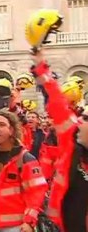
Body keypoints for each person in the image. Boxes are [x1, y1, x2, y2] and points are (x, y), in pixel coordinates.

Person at [30, 49, 88, 232]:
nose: (80, 121)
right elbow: (56, 99)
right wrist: (40, 65)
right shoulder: (71, 139)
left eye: (85, 119)